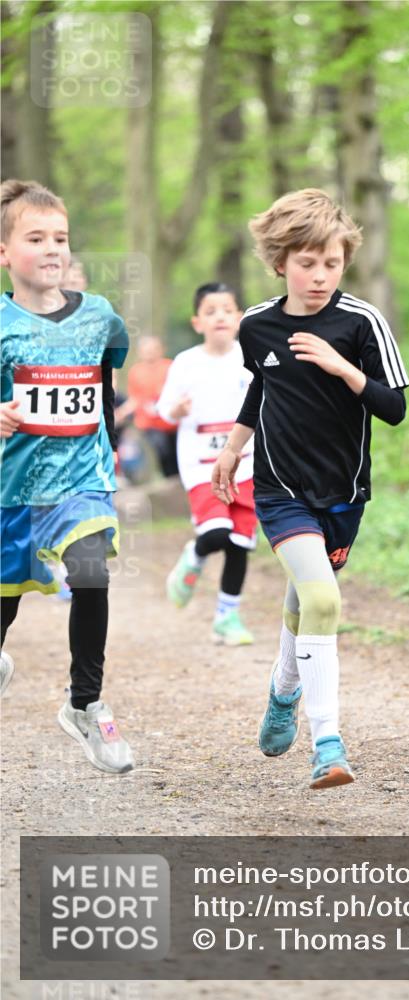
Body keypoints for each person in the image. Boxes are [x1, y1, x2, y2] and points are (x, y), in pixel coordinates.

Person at [211, 189, 409, 790]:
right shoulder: (256, 325)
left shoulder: (362, 322)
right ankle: (328, 743)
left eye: (332, 262)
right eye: (307, 262)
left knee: (305, 603)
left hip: (344, 494)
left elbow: (394, 408)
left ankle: (283, 688)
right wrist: (233, 446)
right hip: (279, 489)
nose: (320, 275)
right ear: (280, 262)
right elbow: (262, 384)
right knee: (322, 600)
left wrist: (342, 368)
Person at [0, 179, 134, 773]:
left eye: (61, 237)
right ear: (5, 252)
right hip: (11, 495)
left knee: (91, 570)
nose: (52, 248)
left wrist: (108, 439)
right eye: (35, 238)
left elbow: (108, 374)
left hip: (81, 484)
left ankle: (85, 704)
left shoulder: (100, 316)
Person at [157, 282, 256, 645]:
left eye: (227, 310)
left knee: (239, 544)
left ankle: (227, 618)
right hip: (202, 466)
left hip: (247, 466)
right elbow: (162, 408)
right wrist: (175, 410)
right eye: (211, 311)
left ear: (239, 318)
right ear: (197, 322)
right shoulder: (186, 362)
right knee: (215, 534)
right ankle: (194, 555)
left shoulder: (251, 357)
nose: (220, 317)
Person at [126, 335, 178, 477]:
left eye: (153, 349)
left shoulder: (170, 366)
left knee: (177, 453)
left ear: (161, 349)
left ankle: (178, 481)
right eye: (146, 350)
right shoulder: (135, 372)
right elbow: (134, 398)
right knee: (162, 449)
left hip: (173, 421)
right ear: (140, 352)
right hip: (150, 423)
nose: (150, 353)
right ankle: (169, 480)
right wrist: (119, 413)